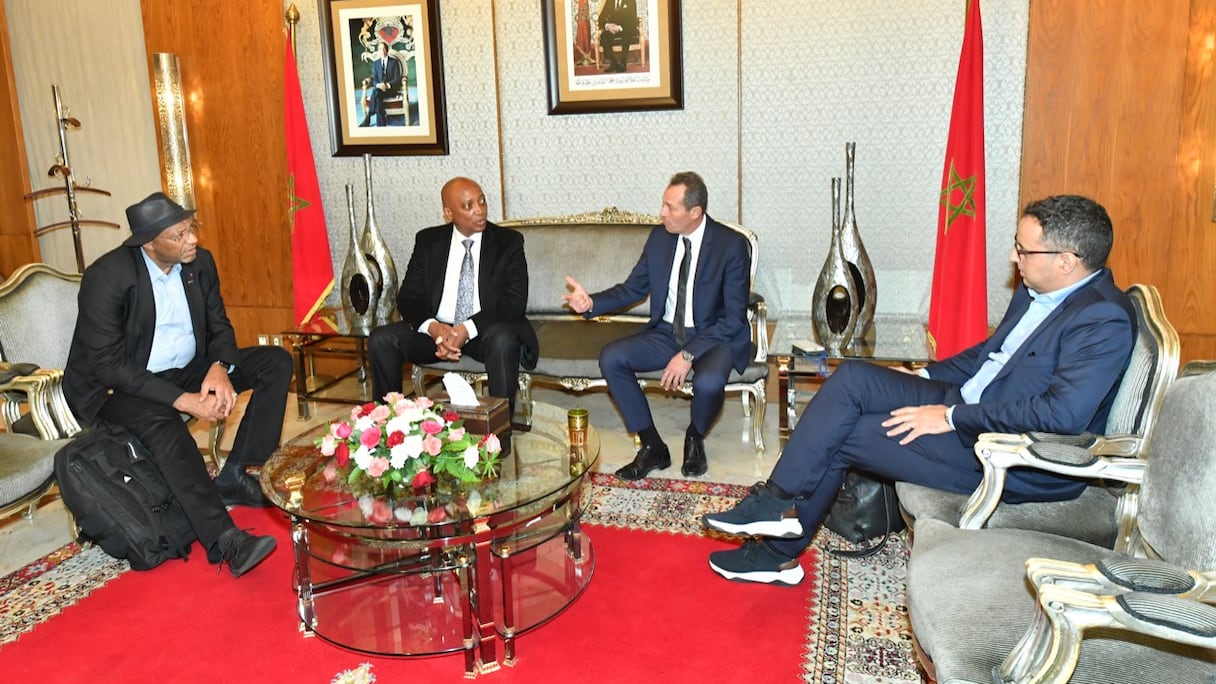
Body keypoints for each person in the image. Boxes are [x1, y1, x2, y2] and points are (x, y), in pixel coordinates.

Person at [702, 194, 1136, 586]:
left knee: (847, 434)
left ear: (1066, 261)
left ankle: (776, 552)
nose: (1013, 257)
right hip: (968, 403)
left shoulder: (1102, 319)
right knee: (853, 377)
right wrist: (921, 377)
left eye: (1023, 249)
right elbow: (990, 355)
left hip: (1008, 452)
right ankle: (777, 502)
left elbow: (1060, 416)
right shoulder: (1039, 288)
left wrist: (949, 418)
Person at [62, 192, 294, 578]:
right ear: (148, 243)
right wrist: (183, 400)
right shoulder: (108, 277)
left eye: (191, 229)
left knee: (275, 362)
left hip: (184, 367)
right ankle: (225, 541)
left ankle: (236, 474)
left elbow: (219, 325)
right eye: (179, 235)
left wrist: (218, 367)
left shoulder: (199, 263)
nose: (192, 240)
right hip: (116, 387)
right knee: (163, 421)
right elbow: (110, 365)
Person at [564, 172, 752, 480]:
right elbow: (632, 289)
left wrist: (688, 354)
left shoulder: (730, 245)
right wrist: (591, 303)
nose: (662, 213)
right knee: (612, 357)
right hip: (667, 332)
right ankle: (652, 446)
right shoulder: (660, 238)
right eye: (663, 205)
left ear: (695, 212)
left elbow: (733, 318)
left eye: (670, 207)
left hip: (714, 336)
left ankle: (695, 437)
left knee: (708, 382)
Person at [367, 177, 538, 441]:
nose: (479, 210)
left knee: (504, 340)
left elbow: (513, 302)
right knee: (382, 339)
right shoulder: (428, 241)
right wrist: (435, 328)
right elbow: (408, 298)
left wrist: (465, 330)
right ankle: (388, 431)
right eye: (468, 206)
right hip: (438, 332)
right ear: (449, 213)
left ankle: (498, 438)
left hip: (483, 331)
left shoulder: (508, 242)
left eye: (482, 201)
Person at [360, 41, 402, 127]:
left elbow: (397, 78)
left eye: (383, 49)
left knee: (375, 93)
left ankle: (368, 117)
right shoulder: (376, 63)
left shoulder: (394, 62)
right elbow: (374, 78)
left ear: (387, 50)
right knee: (377, 96)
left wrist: (387, 85)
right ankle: (381, 124)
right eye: (380, 49)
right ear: (378, 51)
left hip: (391, 89)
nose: (382, 51)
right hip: (379, 89)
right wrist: (378, 85)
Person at [597, 0, 638, 73]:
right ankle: (614, 63)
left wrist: (619, 28)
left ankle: (623, 63)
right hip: (613, 28)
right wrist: (608, 26)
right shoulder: (610, 1)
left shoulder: (630, 1)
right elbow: (601, 18)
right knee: (604, 36)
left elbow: (633, 20)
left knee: (627, 35)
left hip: (626, 28)